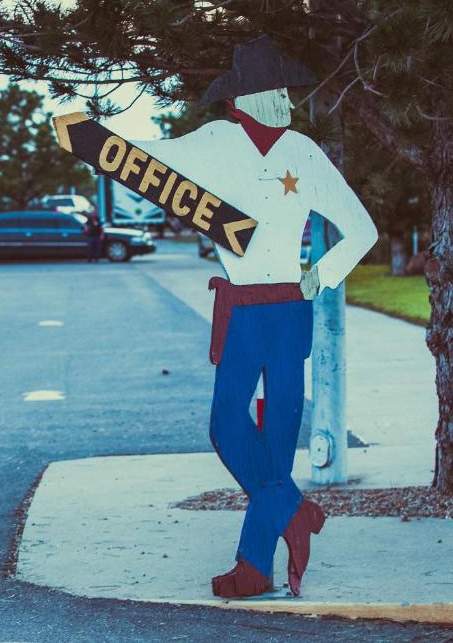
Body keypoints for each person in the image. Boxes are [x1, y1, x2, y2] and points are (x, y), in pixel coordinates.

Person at [129, 36, 378, 598]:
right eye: (269, 87)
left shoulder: (305, 153)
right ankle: (294, 511)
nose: (280, 97)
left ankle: (254, 567)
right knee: (225, 426)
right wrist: (90, 133)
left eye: (282, 87)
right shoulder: (215, 142)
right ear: (241, 98)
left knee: (278, 437)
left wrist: (322, 274)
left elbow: (362, 230)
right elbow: (153, 153)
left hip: (291, 310)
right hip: (241, 310)